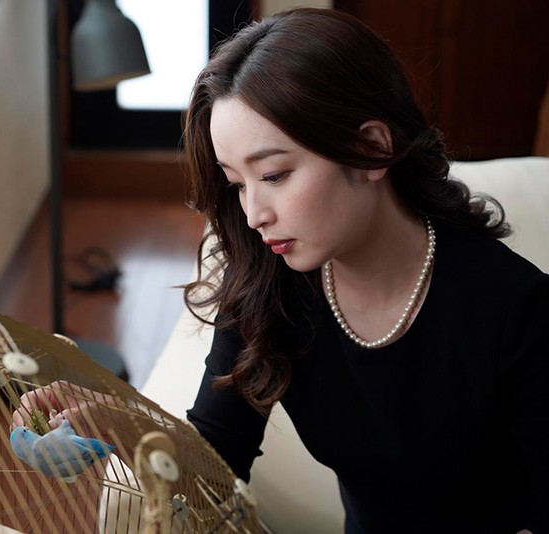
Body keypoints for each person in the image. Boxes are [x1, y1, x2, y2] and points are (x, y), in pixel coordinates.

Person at [182, 7, 549, 534]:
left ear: (372, 147)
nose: (253, 213)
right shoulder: (271, 283)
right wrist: (122, 436)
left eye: (275, 174)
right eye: (237, 184)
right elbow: (213, 459)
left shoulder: (516, 310)